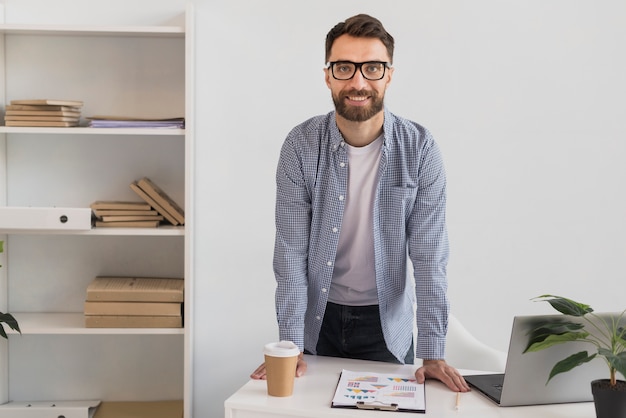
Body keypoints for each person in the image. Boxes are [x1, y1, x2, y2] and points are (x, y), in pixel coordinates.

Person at [251, 13, 470, 393]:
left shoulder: (420, 149)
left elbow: (430, 256)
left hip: (387, 326)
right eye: (344, 68)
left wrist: (433, 354)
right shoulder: (300, 146)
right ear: (327, 75)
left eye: (371, 68)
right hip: (317, 321)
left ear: (388, 74)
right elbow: (289, 254)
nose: (357, 81)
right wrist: (288, 345)